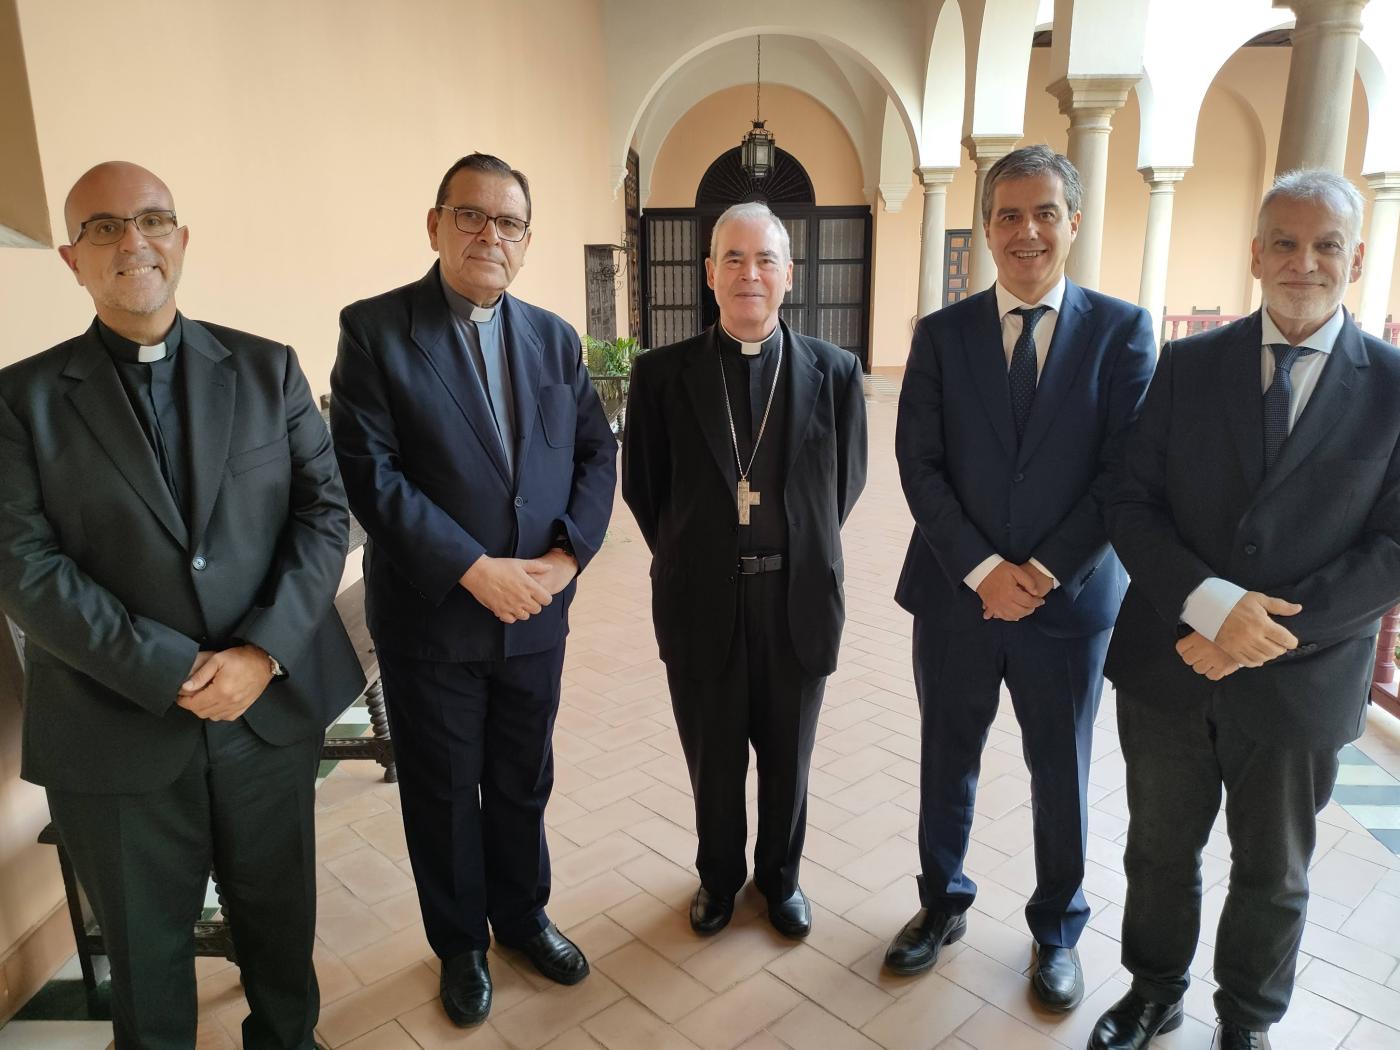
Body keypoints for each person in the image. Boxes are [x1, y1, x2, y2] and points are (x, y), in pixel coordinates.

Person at [0, 162, 363, 1049]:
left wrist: (261, 652)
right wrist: (168, 671)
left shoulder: (267, 369)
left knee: (281, 938)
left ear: (182, 239)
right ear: (70, 258)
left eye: (154, 219)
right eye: (105, 227)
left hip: (264, 721)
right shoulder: (20, 400)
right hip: (114, 731)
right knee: (149, 968)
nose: (134, 241)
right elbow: (22, 563)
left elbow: (326, 515)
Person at [1089, 170, 1400, 1050]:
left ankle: (1246, 1021)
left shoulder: (1393, 387)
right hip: (1170, 665)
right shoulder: (1187, 365)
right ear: (1256, 253)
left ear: (1357, 257)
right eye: (1287, 243)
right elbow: (1129, 500)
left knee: (1274, 871)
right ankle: (1154, 992)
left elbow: (1393, 547)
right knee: (1157, 850)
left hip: (1301, 684)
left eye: (1327, 244)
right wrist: (1209, 604)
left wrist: (1256, 634)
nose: (1306, 263)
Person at [330, 153, 616, 1027]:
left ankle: (524, 916)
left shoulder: (554, 338)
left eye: (509, 223)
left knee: (523, 776)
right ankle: (460, 944)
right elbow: (370, 476)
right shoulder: (377, 331)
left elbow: (596, 454)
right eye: (472, 216)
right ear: (436, 225)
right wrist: (473, 568)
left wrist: (564, 562)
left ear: (527, 242)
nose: (490, 235)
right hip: (434, 619)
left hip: (536, 611)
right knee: (445, 787)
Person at [886, 145, 1156, 1007]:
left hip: (1066, 604)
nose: (1026, 231)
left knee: (1061, 771)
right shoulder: (939, 334)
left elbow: (1123, 473)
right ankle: (941, 904)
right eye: (1007, 214)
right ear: (987, 228)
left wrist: (1036, 571)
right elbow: (919, 465)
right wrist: (979, 571)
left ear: (1074, 222)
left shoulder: (1122, 332)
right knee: (945, 758)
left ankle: (1057, 930)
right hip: (956, 599)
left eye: (1045, 212)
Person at [622, 201, 867, 940]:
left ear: (788, 275)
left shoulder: (835, 372)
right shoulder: (662, 376)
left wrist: (796, 544)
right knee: (714, 756)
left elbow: (843, 484)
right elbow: (644, 488)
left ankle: (781, 878)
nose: (748, 274)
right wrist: (695, 550)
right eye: (732, 258)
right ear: (709, 274)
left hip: (795, 597)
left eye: (764, 259)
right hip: (703, 599)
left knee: (789, 755)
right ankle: (718, 877)